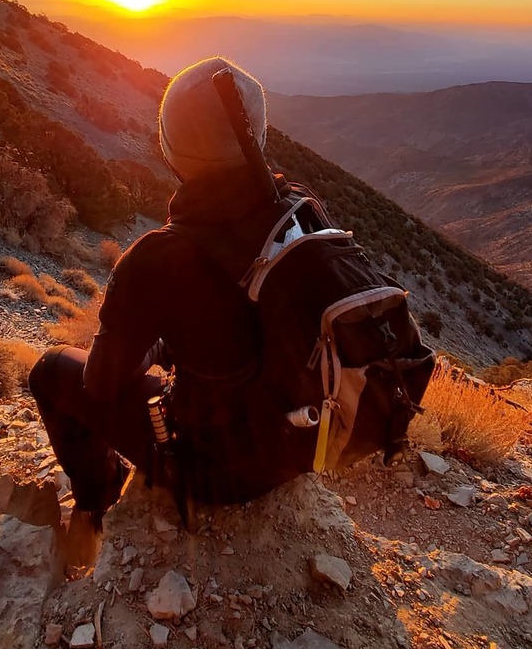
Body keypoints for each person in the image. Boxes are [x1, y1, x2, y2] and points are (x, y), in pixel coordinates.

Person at [28, 56, 319, 553]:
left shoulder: (159, 255)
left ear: (169, 147)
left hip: (219, 475)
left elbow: (101, 384)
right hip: (301, 448)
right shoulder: (302, 214)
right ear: (262, 135)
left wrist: (155, 348)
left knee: (51, 369)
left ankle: (96, 499)